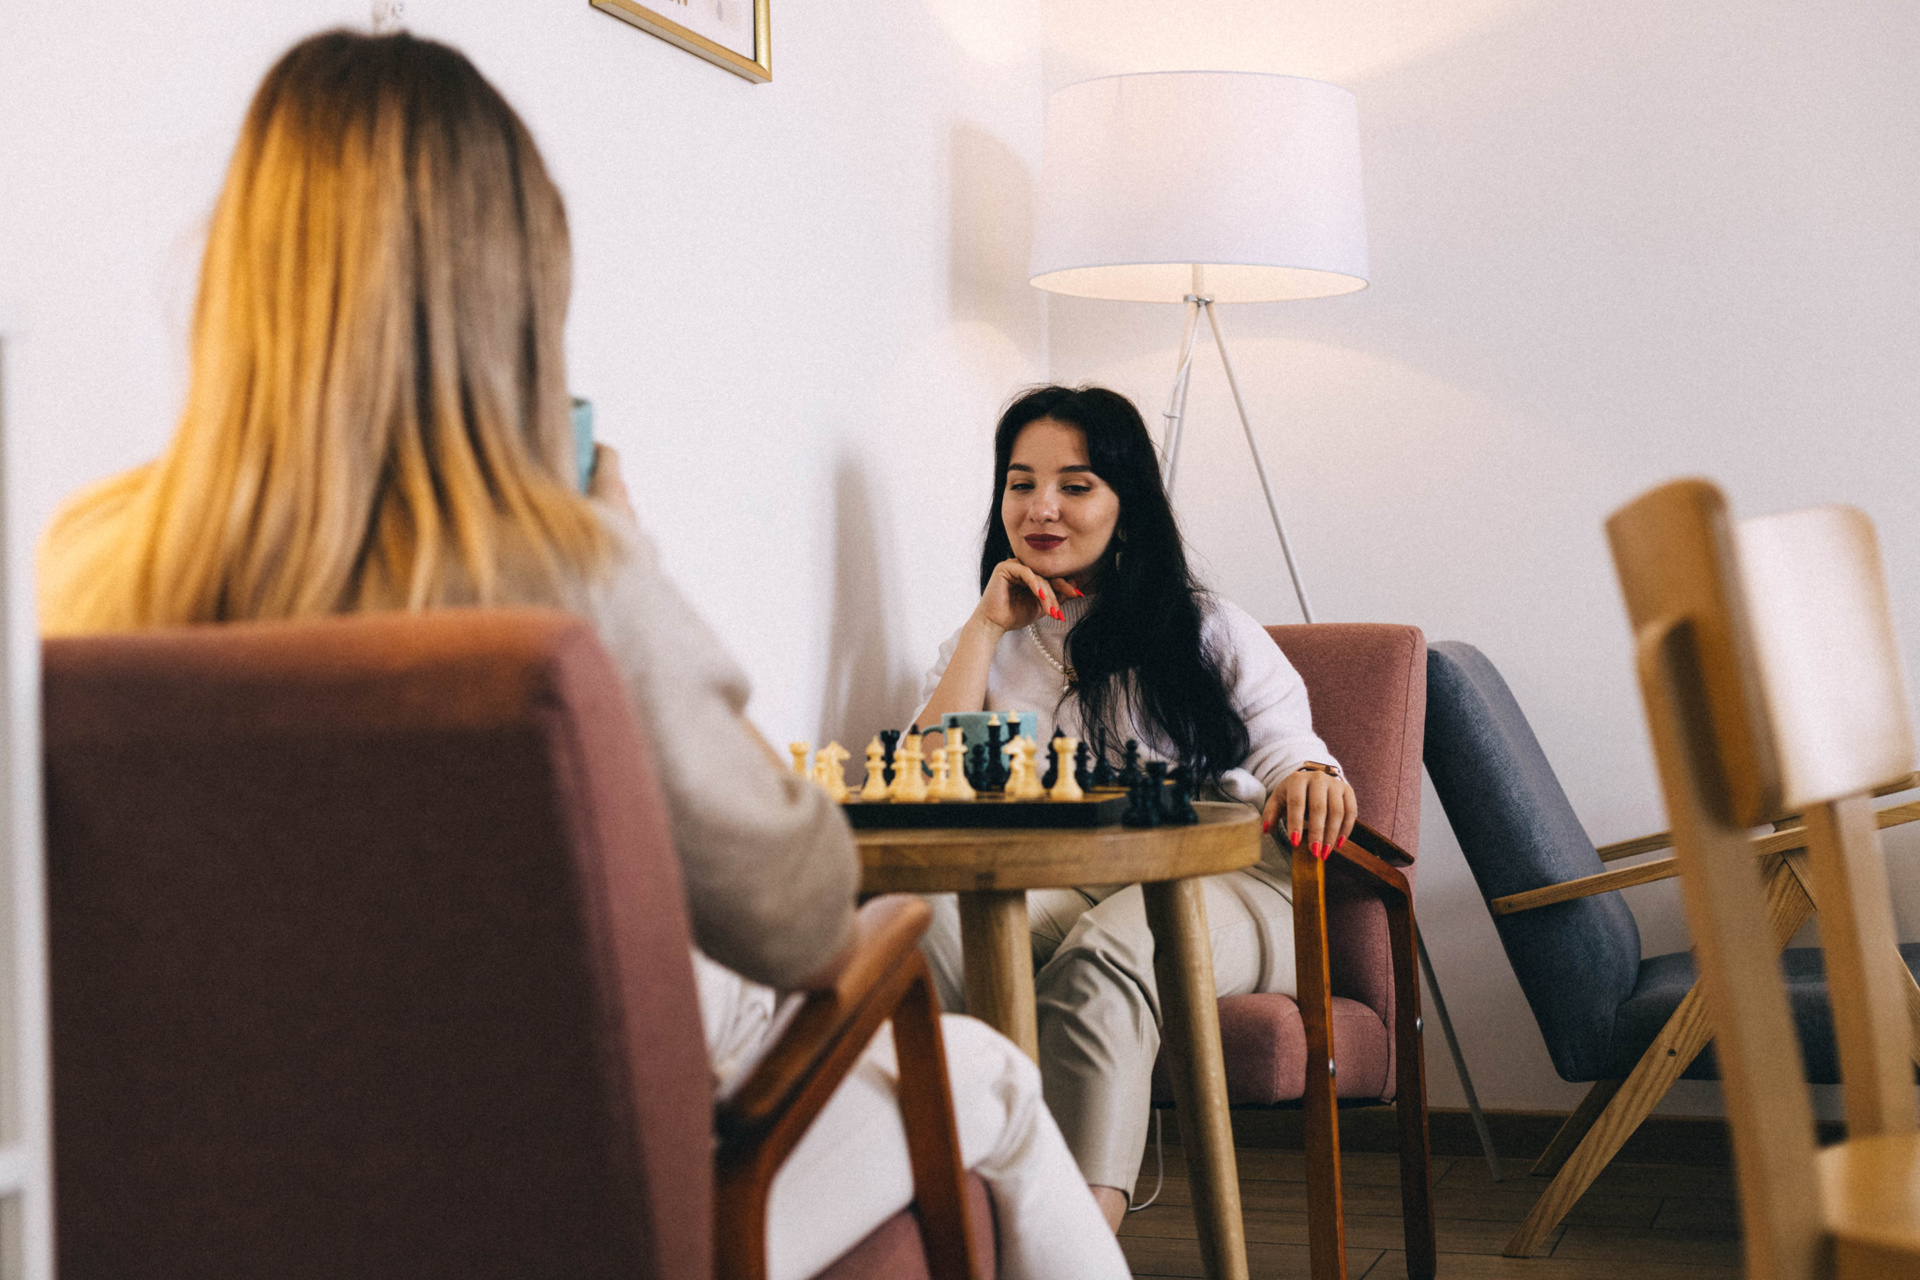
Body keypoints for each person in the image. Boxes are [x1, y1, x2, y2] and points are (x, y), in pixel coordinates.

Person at [36, 30, 1127, 1280]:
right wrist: (626, 551)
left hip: (221, 1207)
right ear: (515, 295)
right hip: (564, 1215)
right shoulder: (566, 574)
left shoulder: (88, 564)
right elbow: (801, 909)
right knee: (993, 1079)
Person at [915, 383, 1361, 1229]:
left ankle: (1075, 1241)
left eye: (1076, 485)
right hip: (1075, 874)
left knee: (1108, 953)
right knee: (932, 922)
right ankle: (939, 1195)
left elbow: (1289, 746)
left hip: (1232, 880)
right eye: (1020, 483)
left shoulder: (1207, 627)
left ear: (1128, 506)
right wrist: (983, 630)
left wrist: (1311, 775)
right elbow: (930, 783)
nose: (1041, 507)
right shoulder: (988, 642)